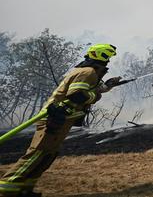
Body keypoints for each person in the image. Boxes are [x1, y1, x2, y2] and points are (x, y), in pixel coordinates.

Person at [0, 44, 124, 197]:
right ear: (100, 56)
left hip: (62, 119)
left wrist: (107, 86)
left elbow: (87, 90)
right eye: (107, 57)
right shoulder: (88, 72)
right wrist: (96, 96)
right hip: (54, 118)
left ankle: (24, 188)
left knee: (47, 156)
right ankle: (7, 187)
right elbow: (77, 95)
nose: (108, 61)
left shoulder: (88, 71)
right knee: (38, 154)